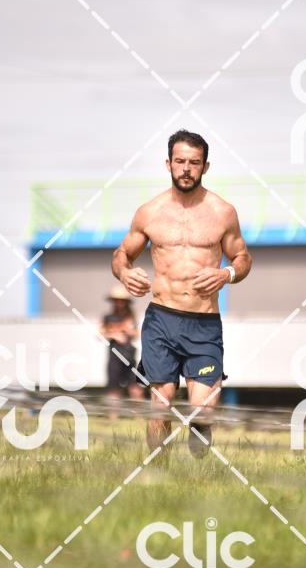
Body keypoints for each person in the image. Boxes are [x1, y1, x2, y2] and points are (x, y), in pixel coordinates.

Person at [111, 129, 252, 457]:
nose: (186, 168)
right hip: (161, 319)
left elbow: (243, 258)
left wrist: (226, 274)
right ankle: (158, 472)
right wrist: (124, 272)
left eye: (194, 162)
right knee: (160, 405)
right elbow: (122, 254)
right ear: (168, 164)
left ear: (205, 166)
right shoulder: (150, 212)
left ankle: (199, 460)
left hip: (204, 323)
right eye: (180, 161)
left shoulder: (222, 212)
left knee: (203, 410)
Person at [101, 285, 143, 417]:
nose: (118, 303)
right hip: (114, 356)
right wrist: (114, 334)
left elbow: (136, 334)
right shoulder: (107, 317)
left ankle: (138, 415)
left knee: (134, 386)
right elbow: (100, 333)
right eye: (116, 300)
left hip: (129, 355)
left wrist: (123, 330)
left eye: (121, 301)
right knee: (113, 388)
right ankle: (113, 417)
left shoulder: (131, 317)